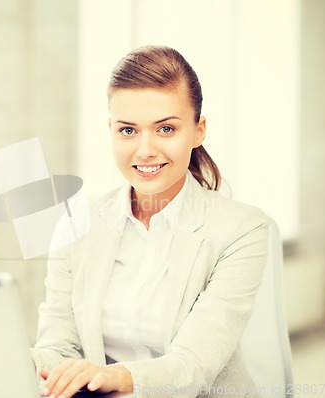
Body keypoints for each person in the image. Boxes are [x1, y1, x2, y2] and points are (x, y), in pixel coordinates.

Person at [31, 45, 269, 398]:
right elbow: (58, 341)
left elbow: (194, 365)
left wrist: (115, 377)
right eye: (128, 131)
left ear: (198, 130)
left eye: (166, 129)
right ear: (111, 129)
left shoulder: (241, 230)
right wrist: (45, 367)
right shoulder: (76, 222)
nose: (144, 150)